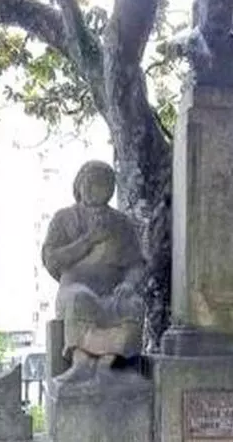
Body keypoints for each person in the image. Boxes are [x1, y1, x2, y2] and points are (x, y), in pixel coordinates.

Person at [41, 161, 146, 384]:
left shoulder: (121, 223)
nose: (93, 189)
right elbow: (51, 259)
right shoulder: (63, 219)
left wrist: (128, 284)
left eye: (101, 184)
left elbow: (136, 264)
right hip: (74, 287)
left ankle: (109, 363)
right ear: (79, 185)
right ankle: (81, 362)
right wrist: (87, 241)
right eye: (89, 182)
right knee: (80, 299)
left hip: (112, 291)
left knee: (133, 305)